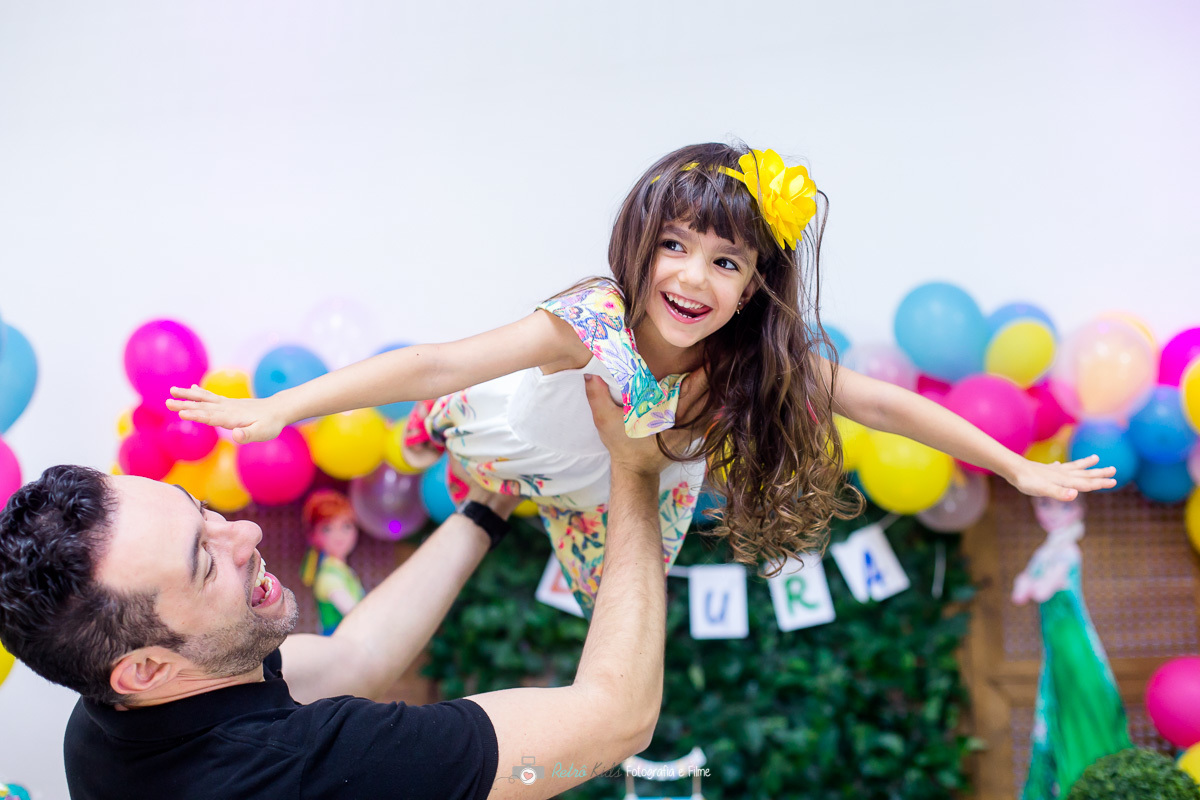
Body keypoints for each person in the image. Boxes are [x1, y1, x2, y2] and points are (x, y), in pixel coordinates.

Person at [167, 142, 1118, 614]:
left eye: (725, 261)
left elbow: (880, 402)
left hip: (621, 487)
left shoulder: (755, 363)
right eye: (674, 245)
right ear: (641, 243)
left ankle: (516, 504)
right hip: (512, 426)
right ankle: (466, 466)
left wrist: (1016, 467)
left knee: (623, 610)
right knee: (456, 430)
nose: (689, 277)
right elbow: (437, 360)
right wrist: (278, 408)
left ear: (754, 287)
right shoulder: (596, 318)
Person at [0, 376, 676, 799]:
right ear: (144, 668)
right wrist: (635, 472)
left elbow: (358, 659)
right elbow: (616, 718)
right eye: (205, 562)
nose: (246, 535)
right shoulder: (306, 770)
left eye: (199, 508)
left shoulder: (106, 723)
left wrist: (487, 505)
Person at [298, 488, 365, 635]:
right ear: (313, 535)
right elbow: (355, 613)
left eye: (346, 526)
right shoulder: (329, 576)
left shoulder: (343, 571)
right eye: (327, 528)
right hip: (340, 644)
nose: (339, 535)